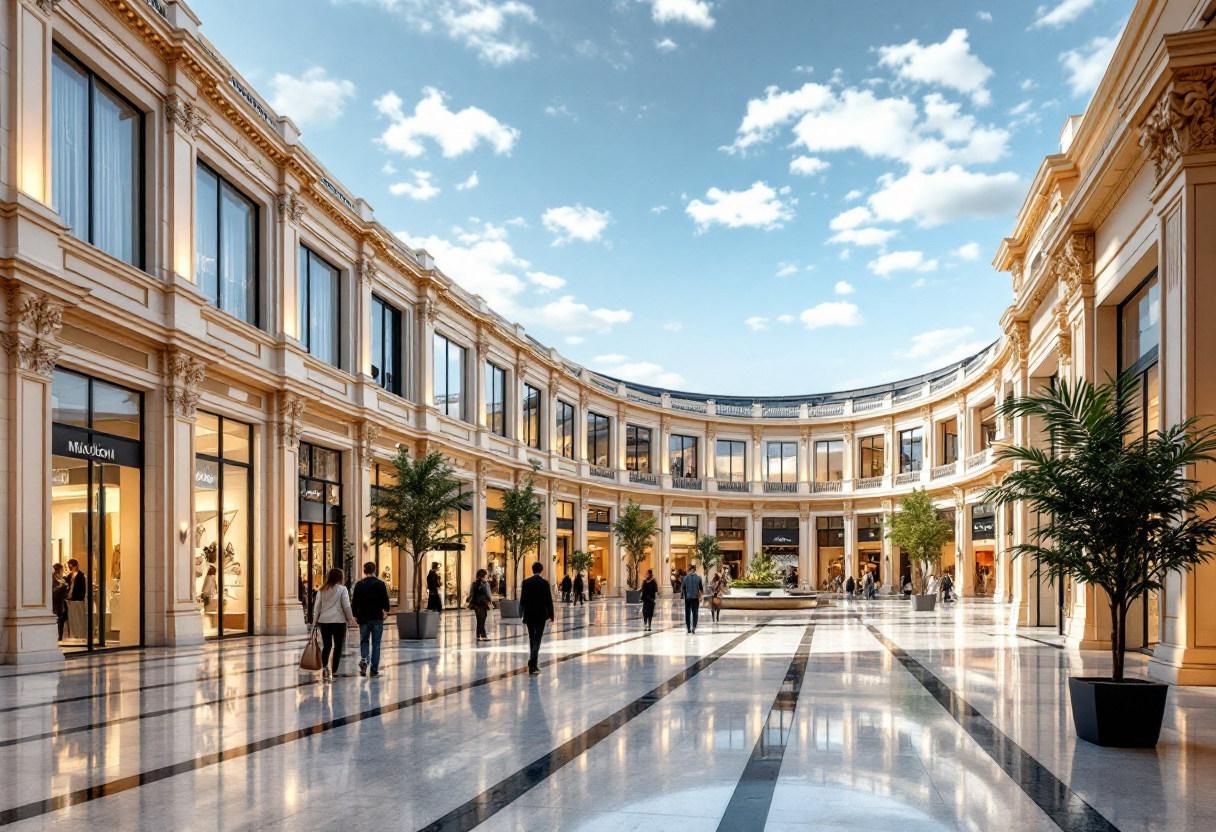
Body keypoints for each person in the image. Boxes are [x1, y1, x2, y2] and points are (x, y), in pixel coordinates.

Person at [312, 568, 356, 681]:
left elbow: (317, 607)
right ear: (340, 578)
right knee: (338, 646)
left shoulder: (322, 589)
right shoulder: (342, 589)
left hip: (325, 621)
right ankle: (335, 670)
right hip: (339, 621)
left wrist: (314, 621)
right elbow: (346, 606)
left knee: (326, 645)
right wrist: (351, 619)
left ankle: (325, 666)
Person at [351, 561, 390, 677]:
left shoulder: (359, 584)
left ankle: (364, 661)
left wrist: (356, 615)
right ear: (374, 570)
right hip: (376, 617)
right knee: (376, 644)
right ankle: (374, 670)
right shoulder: (380, 584)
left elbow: (354, 602)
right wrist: (386, 609)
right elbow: (385, 601)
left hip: (363, 618)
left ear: (364, 571)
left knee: (364, 642)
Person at [519, 562, 555, 674]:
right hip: (540, 615)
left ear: (532, 570)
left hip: (529, 614)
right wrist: (551, 614)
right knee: (537, 639)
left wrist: (520, 612)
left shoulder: (526, 582)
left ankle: (533, 661)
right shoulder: (544, 583)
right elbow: (548, 599)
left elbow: (522, 599)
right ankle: (533, 663)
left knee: (531, 637)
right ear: (541, 570)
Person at [467, 568, 493, 642]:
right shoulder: (486, 584)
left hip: (475, 604)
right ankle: (483, 635)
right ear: (483, 576)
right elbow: (488, 594)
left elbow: (471, 594)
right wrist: (490, 603)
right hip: (483, 603)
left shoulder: (474, 584)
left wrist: (468, 602)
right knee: (482, 619)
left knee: (479, 619)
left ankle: (478, 634)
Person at [66, 559, 87, 639]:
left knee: (79, 617)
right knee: (72, 618)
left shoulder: (81, 576)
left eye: (69, 565)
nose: (68, 567)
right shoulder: (70, 575)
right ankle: (73, 634)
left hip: (77, 599)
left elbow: (83, 588)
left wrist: (81, 597)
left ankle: (80, 634)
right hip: (71, 599)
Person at [681, 564, 704, 634]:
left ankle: (688, 628)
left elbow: (683, 588)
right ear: (695, 569)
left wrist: (683, 598)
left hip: (688, 598)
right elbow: (701, 588)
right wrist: (701, 597)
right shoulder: (699, 578)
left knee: (687, 613)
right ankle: (694, 627)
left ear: (689, 569)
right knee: (695, 613)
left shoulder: (685, 578)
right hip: (695, 598)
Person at [51, 563, 68, 639]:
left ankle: (59, 635)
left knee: (61, 618)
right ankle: (58, 635)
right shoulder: (54, 578)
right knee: (59, 618)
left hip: (59, 601)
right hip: (57, 601)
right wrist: (63, 587)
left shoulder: (58, 578)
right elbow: (54, 590)